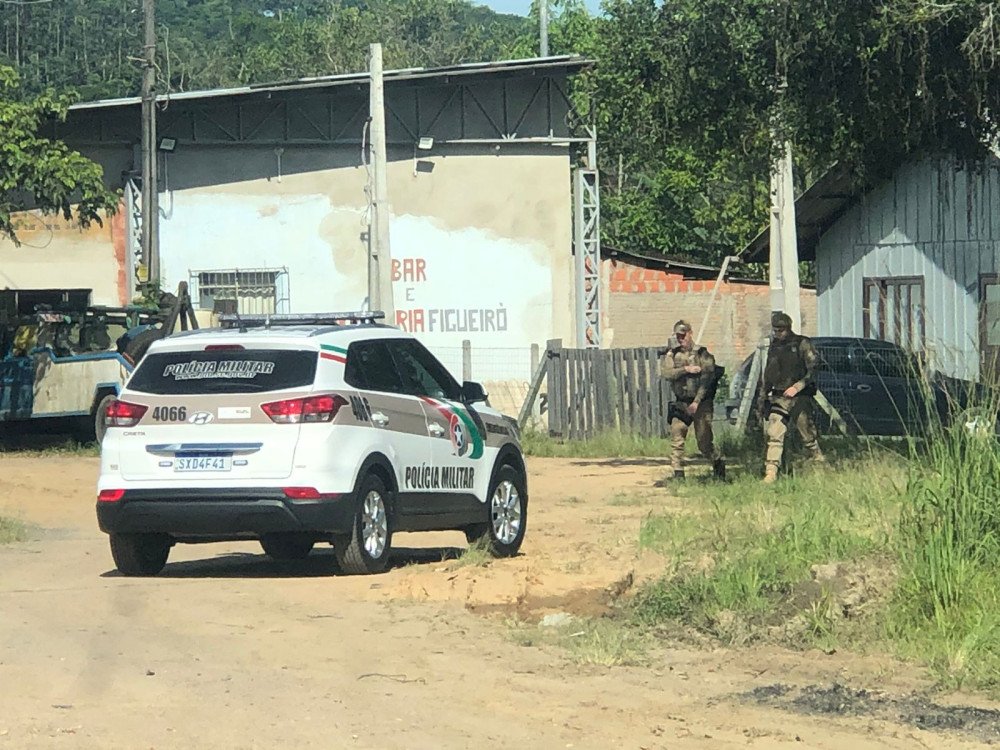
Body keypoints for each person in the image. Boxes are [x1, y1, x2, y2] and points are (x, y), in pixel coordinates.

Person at [758, 311, 825, 483]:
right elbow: (768, 373)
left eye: (781, 330)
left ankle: (819, 463)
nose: (778, 333)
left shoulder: (803, 344)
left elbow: (814, 368)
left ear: (788, 328)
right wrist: (763, 396)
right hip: (779, 398)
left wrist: (798, 386)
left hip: (800, 397)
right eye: (775, 330)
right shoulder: (774, 347)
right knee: (775, 433)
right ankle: (771, 472)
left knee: (807, 435)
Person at [660, 320, 725, 480]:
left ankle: (717, 463)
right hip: (682, 401)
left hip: (701, 403)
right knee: (677, 434)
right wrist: (685, 370)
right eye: (678, 336)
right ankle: (678, 471)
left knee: (704, 441)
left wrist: (697, 402)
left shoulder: (702, 354)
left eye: (683, 335)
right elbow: (666, 373)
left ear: (690, 333)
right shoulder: (672, 354)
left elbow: (707, 379)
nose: (681, 339)